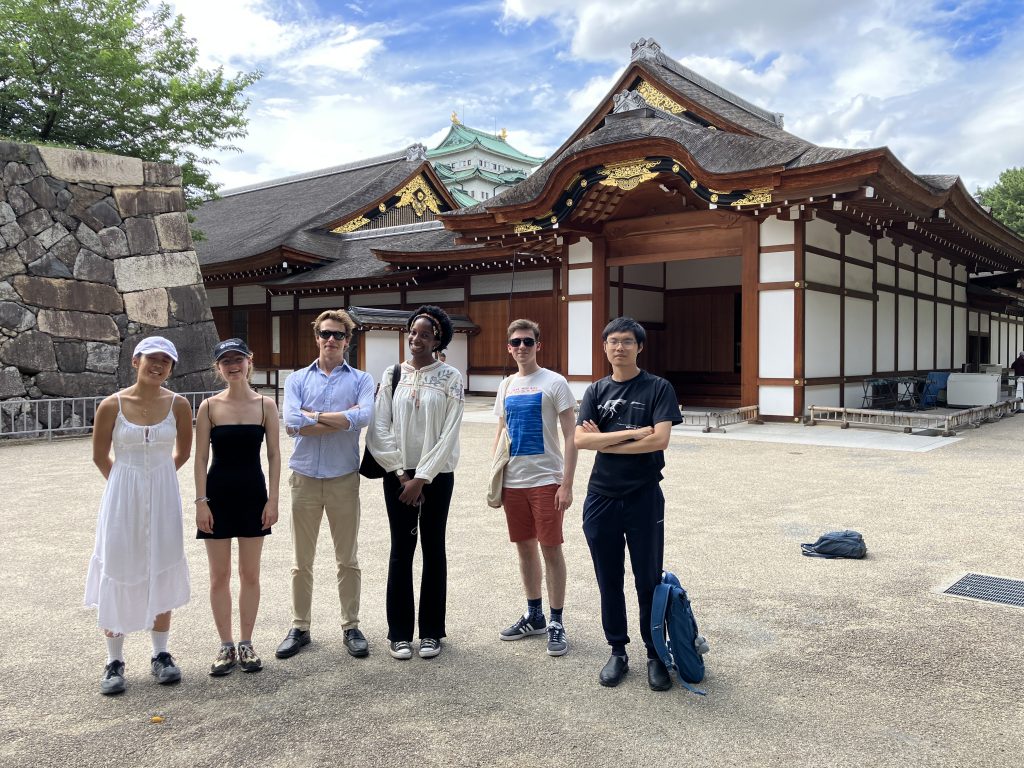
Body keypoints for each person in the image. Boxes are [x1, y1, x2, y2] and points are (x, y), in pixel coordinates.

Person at [575, 317, 682, 692]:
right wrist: (635, 432)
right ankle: (617, 650)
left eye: (626, 342)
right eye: (612, 342)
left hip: (643, 496)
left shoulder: (658, 388)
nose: (619, 347)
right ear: (604, 347)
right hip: (601, 496)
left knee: (647, 579)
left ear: (640, 347)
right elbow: (579, 442)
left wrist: (605, 439)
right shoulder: (596, 391)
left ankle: (655, 653)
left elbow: (661, 441)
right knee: (609, 578)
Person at [85, 336, 193, 695]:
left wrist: (157, 479)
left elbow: (184, 452)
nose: (158, 365)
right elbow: (101, 456)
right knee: (119, 565)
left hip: (163, 493)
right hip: (122, 495)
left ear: (172, 367)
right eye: (152, 359)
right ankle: (113, 660)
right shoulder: (111, 405)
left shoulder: (178, 405)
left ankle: (160, 654)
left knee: (160, 564)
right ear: (136, 361)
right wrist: (127, 483)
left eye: (166, 360)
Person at [367, 305, 464, 660]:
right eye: (412, 332)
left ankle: (432, 632)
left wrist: (422, 477)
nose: (416, 339)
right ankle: (398, 633)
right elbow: (380, 428)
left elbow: (449, 433)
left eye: (424, 334)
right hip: (398, 476)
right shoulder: (393, 374)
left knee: (434, 548)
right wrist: (401, 474)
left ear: (438, 338)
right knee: (400, 551)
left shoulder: (451, 377)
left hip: (437, 476)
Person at [276, 310, 374, 660]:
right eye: (325, 334)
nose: (331, 340)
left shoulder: (361, 379)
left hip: (343, 477)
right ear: (316, 337)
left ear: (348, 340)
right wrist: (339, 419)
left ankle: (351, 625)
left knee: (347, 558)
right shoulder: (297, 379)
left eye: (338, 335)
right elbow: (290, 421)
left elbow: (364, 416)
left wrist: (312, 416)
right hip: (303, 475)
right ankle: (300, 626)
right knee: (301, 560)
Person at [194, 338, 281, 676]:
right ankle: (225, 645)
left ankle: (246, 643)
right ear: (218, 367)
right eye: (225, 361)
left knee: (250, 574)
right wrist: (201, 503)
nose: (232, 365)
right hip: (217, 495)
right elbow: (200, 458)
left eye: (238, 359)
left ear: (249, 362)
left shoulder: (265, 406)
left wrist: (273, 500)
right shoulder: (209, 407)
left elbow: (274, 455)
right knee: (219, 576)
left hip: (253, 494)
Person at [493, 319, 578, 656]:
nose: (522, 347)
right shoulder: (506, 386)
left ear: (538, 346)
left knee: (551, 548)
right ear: (509, 348)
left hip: (546, 480)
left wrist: (566, 483)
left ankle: (556, 620)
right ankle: (534, 614)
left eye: (528, 341)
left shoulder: (554, 382)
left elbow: (572, 435)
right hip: (513, 481)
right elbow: (500, 434)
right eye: (516, 342)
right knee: (524, 548)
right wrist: (495, 479)